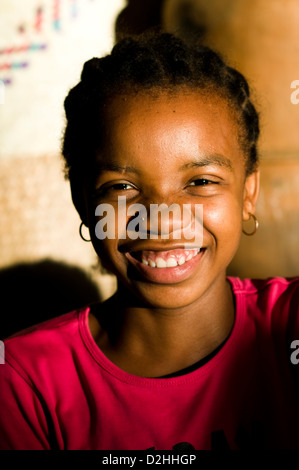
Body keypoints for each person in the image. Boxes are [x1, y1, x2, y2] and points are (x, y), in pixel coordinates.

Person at [0, 33, 298, 450]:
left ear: (248, 194)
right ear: (83, 202)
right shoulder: (23, 384)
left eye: (199, 182)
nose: (162, 219)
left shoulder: (288, 330)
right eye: (123, 186)